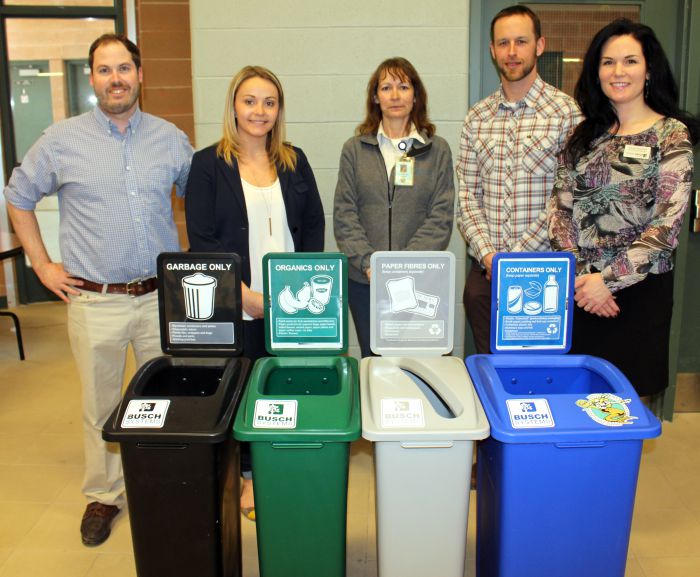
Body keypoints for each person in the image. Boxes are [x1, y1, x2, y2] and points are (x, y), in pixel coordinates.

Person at [3, 34, 193, 545]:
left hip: (159, 298)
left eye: (124, 68)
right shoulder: (61, 140)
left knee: (165, 400)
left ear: (140, 74)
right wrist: (41, 265)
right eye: (105, 70)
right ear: (91, 79)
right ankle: (104, 497)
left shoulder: (170, 139)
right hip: (95, 299)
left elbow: (203, 196)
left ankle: (164, 484)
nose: (116, 79)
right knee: (102, 406)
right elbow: (17, 197)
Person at [185, 65, 325, 519]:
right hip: (239, 304)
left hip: (291, 304)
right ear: (233, 107)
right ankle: (246, 477)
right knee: (243, 389)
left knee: (281, 385)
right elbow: (202, 238)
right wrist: (242, 294)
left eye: (269, 102)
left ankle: (281, 463)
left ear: (278, 109)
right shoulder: (208, 165)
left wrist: (303, 290)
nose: (259, 111)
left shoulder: (294, 159)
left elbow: (313, 225)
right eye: (250, 101)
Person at [548, 18, 699, 398]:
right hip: (580, 293)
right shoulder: (582, 136)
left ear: (649, 70)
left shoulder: (671, 134)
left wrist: (607, 281)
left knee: (622, 412)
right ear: (596, 72)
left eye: (630, 61)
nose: (618, 71)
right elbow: (560, 209)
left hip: (638, 295)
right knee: (576, 404)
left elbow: (666, 225)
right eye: (607, 62)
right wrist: (584, 278)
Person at [456, 5, 581, 353]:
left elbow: (566, 197)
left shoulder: (566, 113)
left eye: (521, 42)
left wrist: (515, 262)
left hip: (545, 278)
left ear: (539, 45)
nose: (512, 52)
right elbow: (467, 195)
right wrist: (490, 257)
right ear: (493, 50)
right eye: (503, 43)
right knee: (490, 374)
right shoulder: (477, 117)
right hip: (486, 274)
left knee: (538, 376)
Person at [333, 57, 455, 358]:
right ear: (376, 97)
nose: (395, 95)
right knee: (374, 360)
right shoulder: (354, 149)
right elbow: (344, 213)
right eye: (386, 87)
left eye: (403, 86)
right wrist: (370, 264)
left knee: (418, 360)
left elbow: (441, 216)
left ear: (416, 95)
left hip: (421, 281)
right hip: (366, 281)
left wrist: (402, 268)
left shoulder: (436, 149)